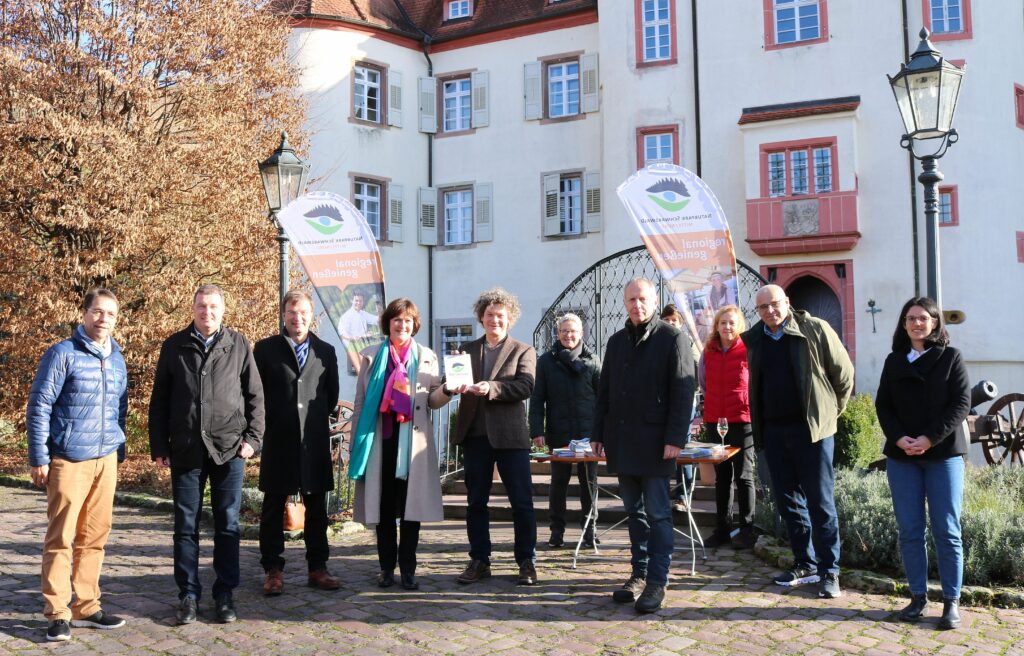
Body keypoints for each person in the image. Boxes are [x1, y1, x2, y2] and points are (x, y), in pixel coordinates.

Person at [149, 284, 265, 625]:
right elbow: (160, 401)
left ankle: (224, 593)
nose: (207, 312)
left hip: (229, 450)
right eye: (202, 306)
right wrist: (159, 445)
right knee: (185, 526)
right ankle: (188, 594)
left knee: (227, 524)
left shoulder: (239, 344)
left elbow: (256, 397)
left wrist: (253, 440)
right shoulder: (175, 346)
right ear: (193, 308)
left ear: (223, 309)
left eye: (213, 307)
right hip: (185, 450)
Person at [26, 288, 129, 642]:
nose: (103, 319)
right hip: (69, 459)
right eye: (97, 312)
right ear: (84, 314)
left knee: (95, 536)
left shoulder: (116, 358)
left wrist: (120, 447)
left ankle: (87, 604)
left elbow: (121, 408)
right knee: (62, 536)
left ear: (117, 319)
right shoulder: (62, 354)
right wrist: (39, 457)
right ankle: (57, 611)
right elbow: (39, 406)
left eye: (110, 314)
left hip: (106, 459)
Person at [592, 278, 696, 614]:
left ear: (654, 301)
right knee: (634, 513)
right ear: (625, 303)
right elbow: (604, 392)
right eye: (631, 299)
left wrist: (675, 438)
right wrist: (598, 433)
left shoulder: (673, 338)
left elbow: (684, 391)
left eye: (643, 299)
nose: (637, 305)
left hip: (656, 443)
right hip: (623, 441)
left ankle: (657, 580)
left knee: (658, 514)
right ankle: (638, 573)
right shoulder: (617, 341)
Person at [743, 284, 853, 599]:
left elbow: (843, 375)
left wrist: (829, 413)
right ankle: (805, 563)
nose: (769, 312)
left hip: (812, 432)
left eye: (774, 304)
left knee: (821, 502)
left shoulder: (814, 329)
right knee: (788, 501)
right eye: (762, 307)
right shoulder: (756, 340)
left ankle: (830, 571)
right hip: (774, 432)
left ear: (787, 302)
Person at [875, 297, 970, 630]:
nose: (917, 323)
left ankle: (951, 602)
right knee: (910, 531)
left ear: (935, 323)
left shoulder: (950, 358)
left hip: (942, 454)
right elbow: (883, 406)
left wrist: (929, 438)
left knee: (947, 530)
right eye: (910, 318)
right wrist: (899, 438)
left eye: (924, 318)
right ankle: (917, 597)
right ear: (904, 324)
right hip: (903, 457)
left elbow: (961, 404)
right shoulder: (894, 360)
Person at [350, 298, 454, 591]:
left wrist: (446, 389)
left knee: (411, 510)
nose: (402, 325)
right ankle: (386, 568)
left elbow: (432, 400)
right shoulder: (371, 356)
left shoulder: (427, 356)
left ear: (414, 324)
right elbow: (360, 402)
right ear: (388, 323)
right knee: (383, 510)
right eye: (397, 319)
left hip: (413, 445)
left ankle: (408, 569)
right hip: (381, 442)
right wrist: (356, 442)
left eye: (408, 320)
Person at [254, 290, 341, 596]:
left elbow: (330, 397)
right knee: (272, 508)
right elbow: (256, 395)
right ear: (283, 315)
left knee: (317, 510)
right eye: (292, 312)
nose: (297, 317)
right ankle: (273, 570)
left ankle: (317, 568)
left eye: (303, 312)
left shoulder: (326, 351)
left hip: (313, 444)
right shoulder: (265, 350)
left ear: (311, 314)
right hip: (279, 440)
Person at [451, 288, 538, 586]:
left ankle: (526, 561)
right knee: (476, 502)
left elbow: (526, 386)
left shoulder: (523, 351)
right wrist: (453, 382)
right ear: (481, 317)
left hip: (510, 437)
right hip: (475, 435)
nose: (495, 320)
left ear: (510, 319)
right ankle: (479, 560)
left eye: (501, 316)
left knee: (522, 503)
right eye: (490, 315)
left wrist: (494, 388)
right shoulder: (467, 349)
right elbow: (452, 382)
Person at [529, 313, 601, 549]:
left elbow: (602, 400)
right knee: (558, 483)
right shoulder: (546, 362)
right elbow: (538, 399)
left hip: (588, 434)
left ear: (581, 333)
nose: (569, 335)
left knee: (589, 484)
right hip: (559, 433)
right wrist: (537, 430)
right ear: (557, 334)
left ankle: (589, 530)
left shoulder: (592, 361)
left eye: (573, 331)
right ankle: (556, 531)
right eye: (564, 331)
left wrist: (604, 433)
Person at [698, 304, 756, 549]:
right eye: (723, 323)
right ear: (717, 326)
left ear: (739, 325)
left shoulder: (747, 350)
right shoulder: (708, 350)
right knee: (722, 477)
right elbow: (703, 381)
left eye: (732, 322)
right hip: (716, 421)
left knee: (744, 476)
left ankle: (747, 529)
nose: (727, 327)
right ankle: (722, 528)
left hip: (742, 420)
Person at [659, 305, 694, 513]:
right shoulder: (656, 343)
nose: (671, 323)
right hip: (661, 405)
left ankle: (683, 494)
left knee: (683, 448)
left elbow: (695, 374)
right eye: (667, 320)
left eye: (675, 320)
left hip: (682, 404)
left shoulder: (688, 343)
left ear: (681, 323)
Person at [338, 290, 379, 374]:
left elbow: (376, 320)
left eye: (360, 301)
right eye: (356, 300)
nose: (358, 303)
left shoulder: (362, 313)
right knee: (359, 375)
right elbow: (342, 334)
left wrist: (380, 310)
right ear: (351, 301)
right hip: (353, 351)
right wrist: (354, 338)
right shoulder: (346, 316)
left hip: (364, 349)